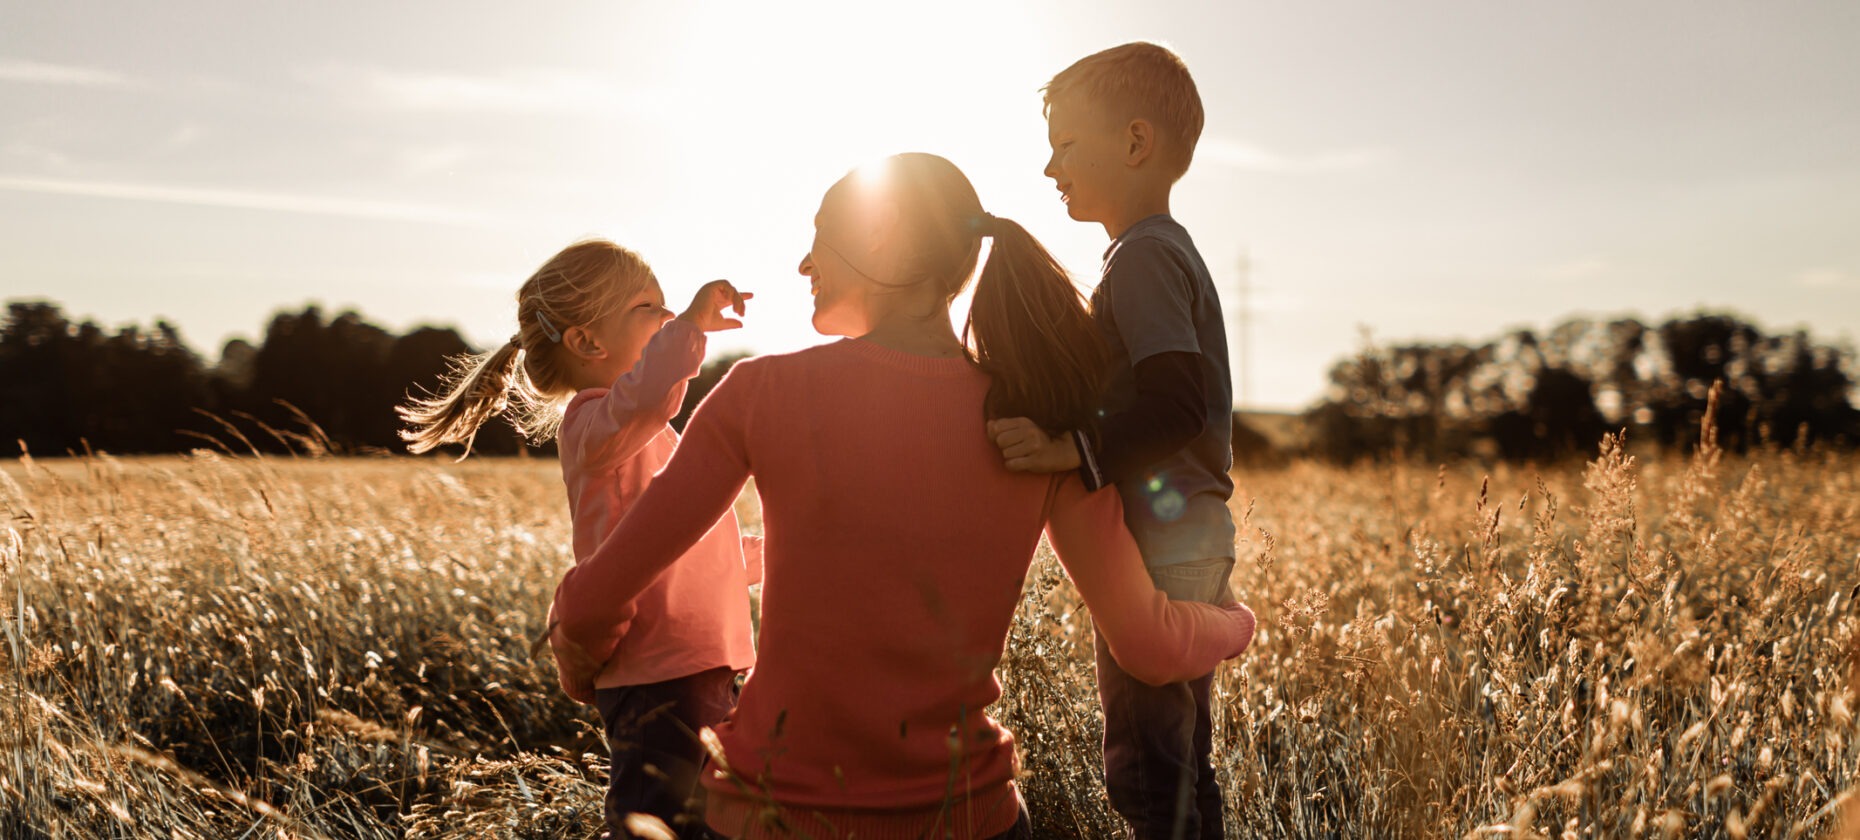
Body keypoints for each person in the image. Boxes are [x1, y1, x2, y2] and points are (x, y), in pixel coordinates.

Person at [549, 153, 1256, 840]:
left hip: (774, 818)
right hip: (972, 817)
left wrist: (581, 662)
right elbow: (1149, 645)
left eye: (819, 235)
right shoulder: (1040, 429)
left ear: (880, 230)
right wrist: (1235, 623)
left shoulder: (759, 394)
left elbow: (591, 599)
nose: (803, 264)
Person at [396, 239, 760, 838]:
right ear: (588, 342)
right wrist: (693, 327)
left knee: (714, 826)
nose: (667, 318)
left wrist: (787, 551)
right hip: (655, 678)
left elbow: (695, 547)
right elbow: (646, 396)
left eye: (670, 310)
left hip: (704, 670)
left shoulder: (647, 435)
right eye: (650, 308)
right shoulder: (594, 428)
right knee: (656, 824)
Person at [985, 42, 1239, 839]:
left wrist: (1073, 449)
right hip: (1188, 537)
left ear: (1135, 143)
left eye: (1065, 143)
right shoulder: (1158, 252)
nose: (1050, 165)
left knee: (1150, 770)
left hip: (1161, 545)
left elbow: (1177, 404)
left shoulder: (1144, 260)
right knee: (1181, 763)